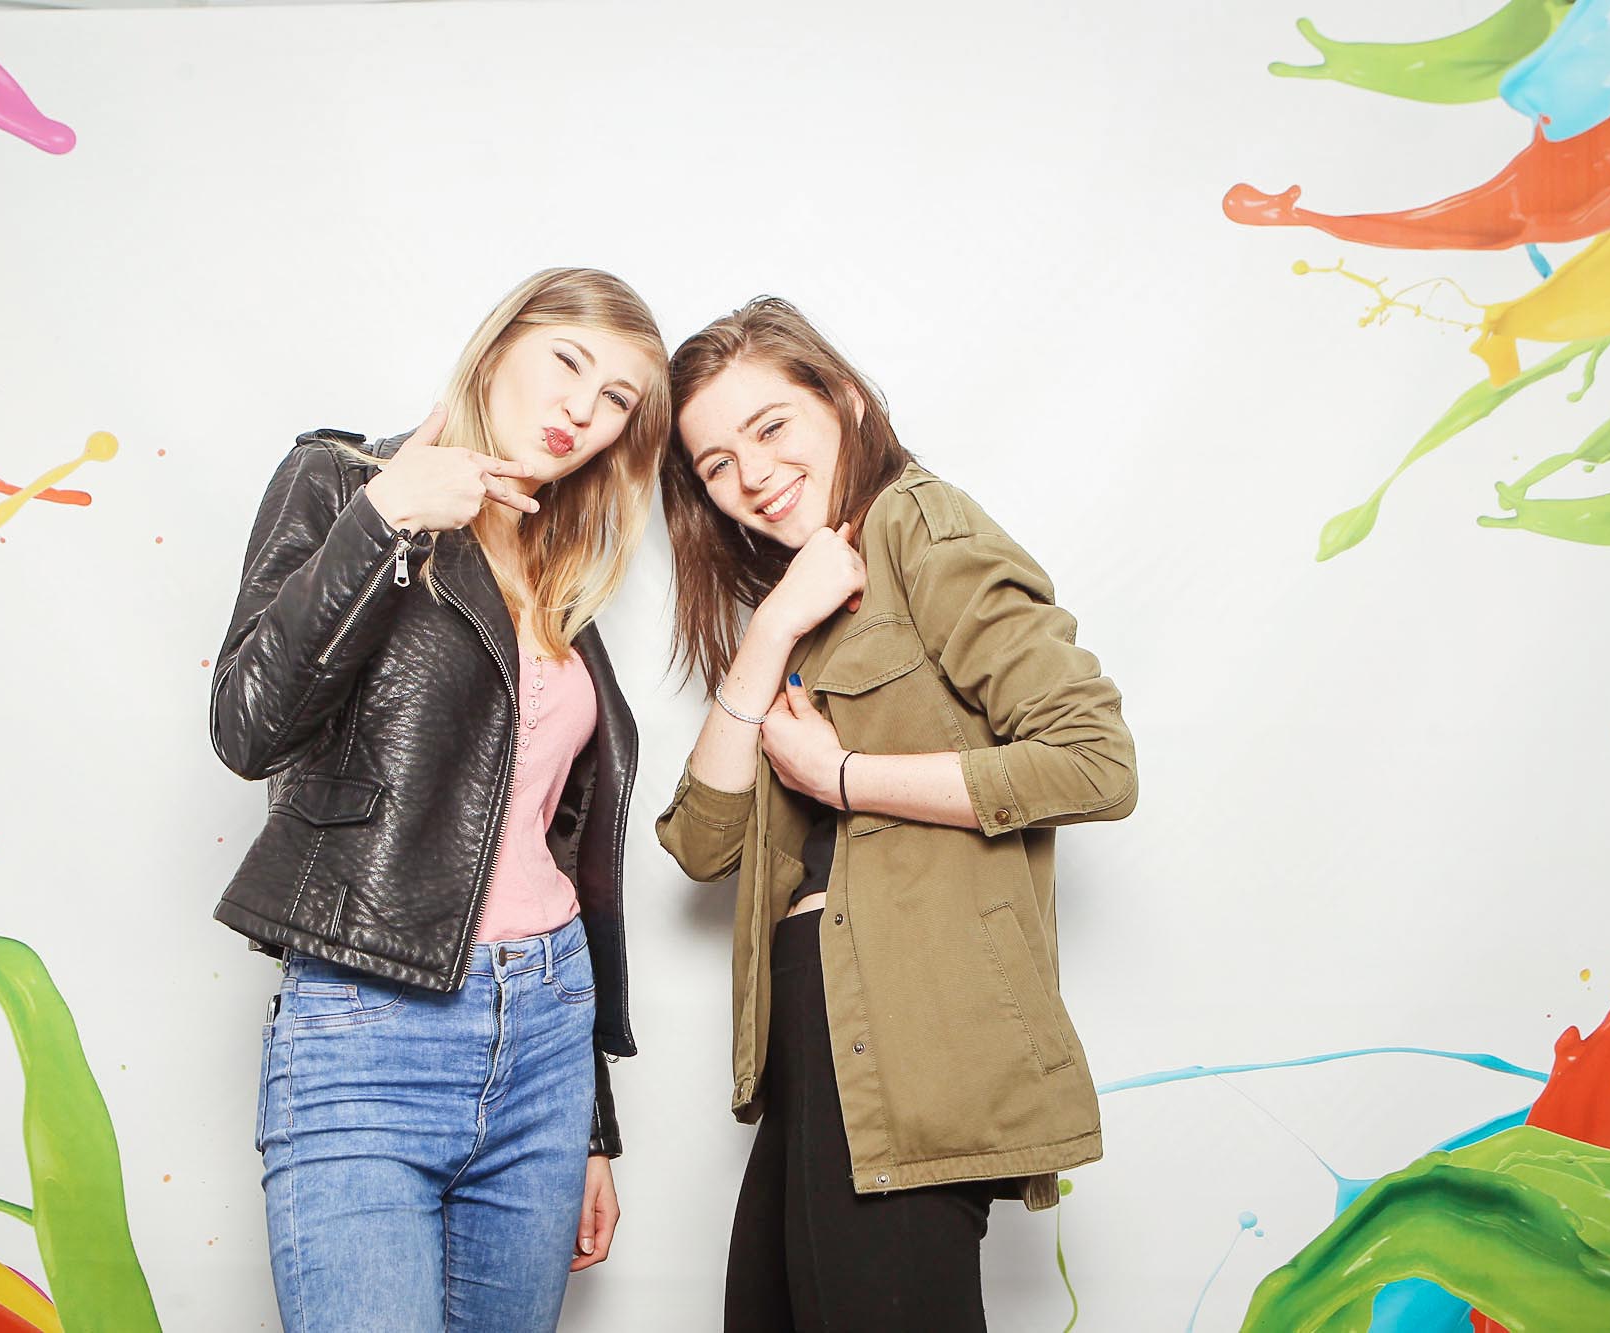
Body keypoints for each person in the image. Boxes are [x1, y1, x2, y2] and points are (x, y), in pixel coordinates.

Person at [655, 296, 1137, 1330]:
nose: (753, 475)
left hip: (910, 1034)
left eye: (771, 427)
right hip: (814, 1033)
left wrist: (843, 777)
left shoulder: (918, 524)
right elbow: (700, 842)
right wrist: (771, 624)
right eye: (716, 464)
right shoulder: (800, 601)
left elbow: (1094, 761)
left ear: (842, 400)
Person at [210, 267, 669, 1332]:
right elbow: (247, 725)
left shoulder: (554, 560)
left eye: (615, 399)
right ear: (499, 346)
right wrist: (388, 519)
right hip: (367, 1025)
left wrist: (591, 1121)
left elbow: (551, 842)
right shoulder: (343, 482)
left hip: (547, 1033)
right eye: (567, 362)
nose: (580, 409)